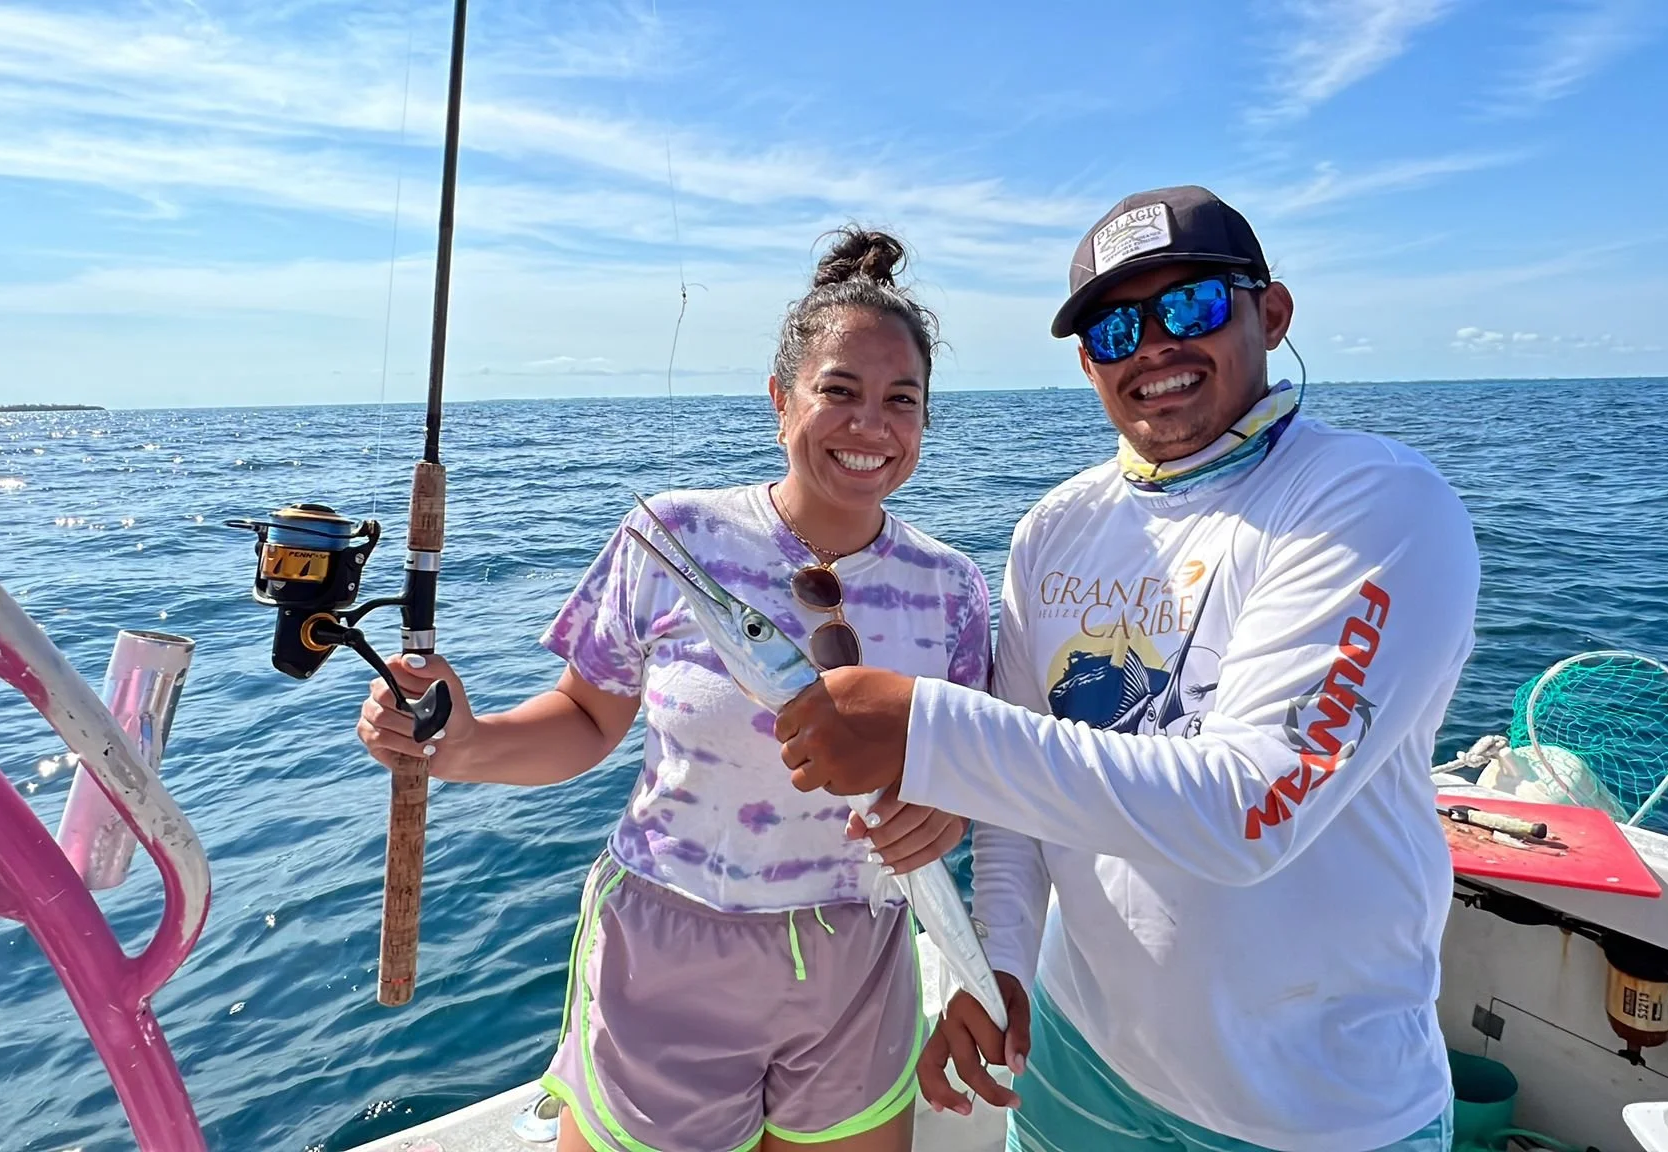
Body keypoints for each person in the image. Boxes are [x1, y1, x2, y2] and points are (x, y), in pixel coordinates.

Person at [771, 186, 1481, 1152]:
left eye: (1188, 305)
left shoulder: (1374, 503)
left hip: (1319, 1108)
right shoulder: (1053, 530)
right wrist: (1004, 965)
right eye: (1113, 327)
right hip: (1078, 1060)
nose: (1151, 345)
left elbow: (1251, 809)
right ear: (1085, 362)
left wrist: (925, 728)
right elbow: (1019, 807)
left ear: (1269, 314)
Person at [356, 227, 993, 1152]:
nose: (871, 425)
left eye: (902, 400)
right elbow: (584, 717)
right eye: (838, 391)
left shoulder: (956, 589)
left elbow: (963, 776)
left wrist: (950, 815)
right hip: (671, 947)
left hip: (862, 959)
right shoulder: (673, 537)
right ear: (781, 401)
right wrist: (462, 743)